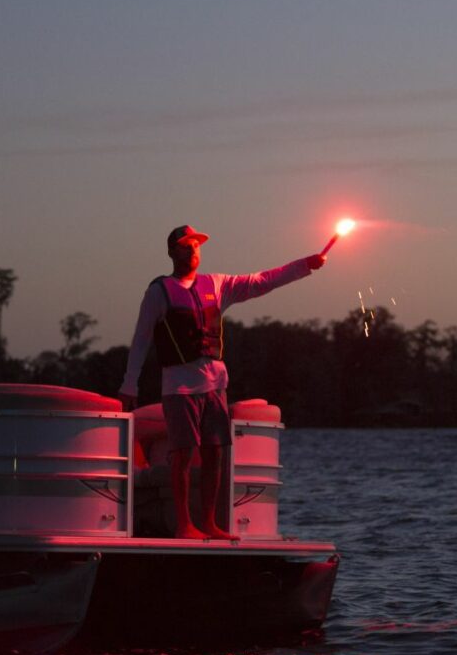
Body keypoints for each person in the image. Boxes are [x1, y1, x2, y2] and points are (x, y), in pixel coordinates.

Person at [119, 225, 327, 540]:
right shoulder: (159, 292)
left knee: (215, 452)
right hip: (179, 387)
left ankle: (209, 523)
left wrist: (305, 265)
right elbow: (141, 339)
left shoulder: (216, 285)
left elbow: (262, 281)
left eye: (196, 246)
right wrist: (129, 385)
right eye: (186, 246)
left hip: (215, 385)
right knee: (183, 454)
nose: (192, 251)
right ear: (172, 252)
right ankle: (184, 525)